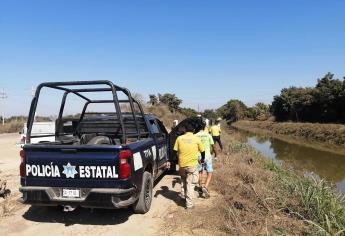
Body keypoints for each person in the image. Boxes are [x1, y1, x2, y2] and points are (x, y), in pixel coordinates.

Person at [172, 123, 205, 209]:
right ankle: (189, 204)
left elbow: (174, 151)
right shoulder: (196, 139)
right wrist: (202, 159)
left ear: (185, 130)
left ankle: (183, 196)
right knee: (190, 184)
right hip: (192, 165)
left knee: (183, 180)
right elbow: (203, 151)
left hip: (182, 165)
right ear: (193, 130)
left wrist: (176, 160)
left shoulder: (179, 138)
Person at [195, 122, 217, 198]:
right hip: (207, 156)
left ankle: (200, 187)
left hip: (198, 156)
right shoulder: (208, 135)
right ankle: (205, 187)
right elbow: (213, 146)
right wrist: (215, 154)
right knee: (209, 172)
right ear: (204, 127)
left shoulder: (195, 136)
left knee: (200, 172)